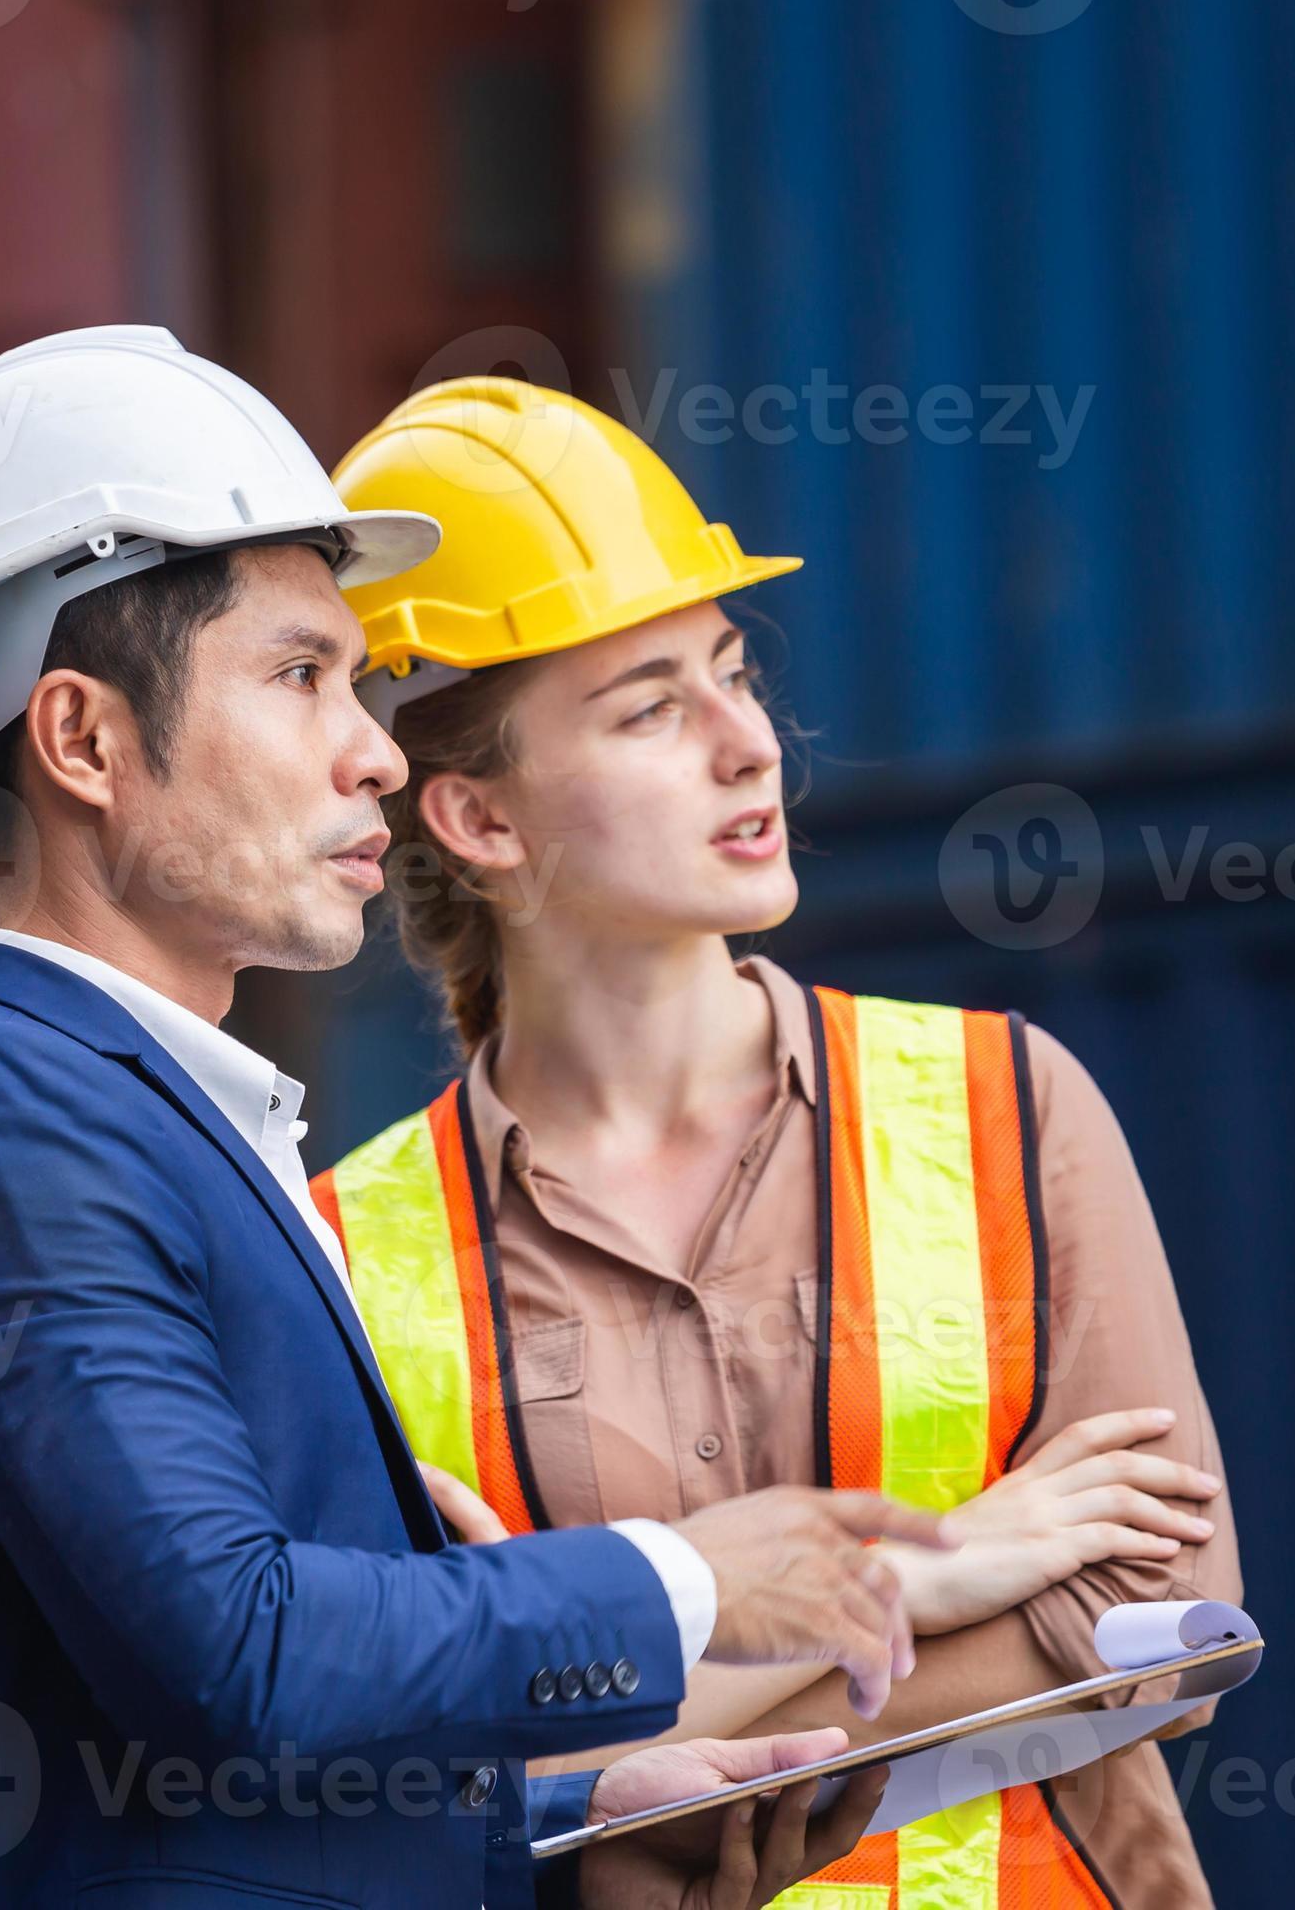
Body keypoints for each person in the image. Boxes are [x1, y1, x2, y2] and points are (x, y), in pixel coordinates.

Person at [0, 326, 954, 1909]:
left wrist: (560, 1834)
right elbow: (241, 1655)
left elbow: (206, 1791)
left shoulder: (151, 1121)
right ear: (83, 741)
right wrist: (693, 1580)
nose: (379, 753)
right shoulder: (0, 1134)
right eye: (300, 677)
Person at [310, 379, 1245, 1906]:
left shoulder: (1009, 1110)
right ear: (480, 820)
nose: (751, 744)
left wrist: (632, 1774)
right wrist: (925, 1579)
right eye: (652, 707)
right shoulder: (339, 1262)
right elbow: (395, 1784)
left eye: (734, 673)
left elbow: (1168, 1616)